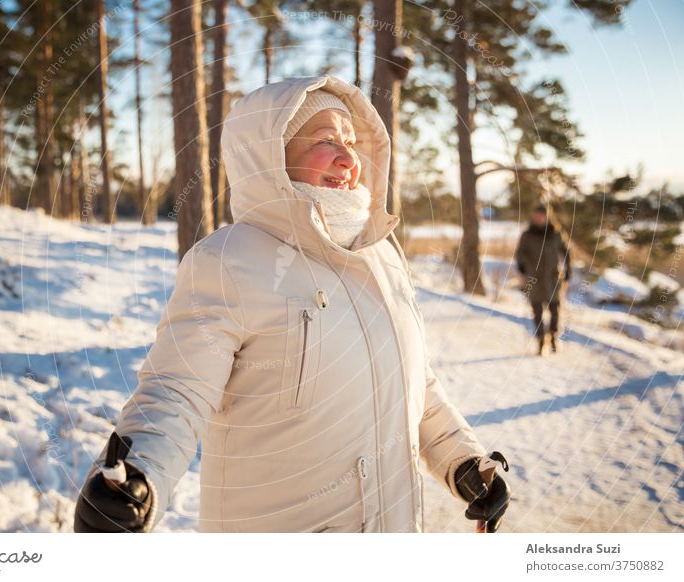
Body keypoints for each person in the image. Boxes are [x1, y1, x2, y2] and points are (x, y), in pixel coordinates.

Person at [73, 75, 510, 533]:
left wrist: (463, 460)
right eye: (325, 141)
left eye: (350, 142)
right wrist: (138, 475)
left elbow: (413, 380)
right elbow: (177, 389)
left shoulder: (381, 252)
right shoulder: (230, 259)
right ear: (269, 158)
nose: (348, 158)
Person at [515, 205, 572, 355]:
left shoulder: (556, 233)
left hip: (553, 278)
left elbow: (566, 251)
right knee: (537, 312)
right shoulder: (527, 235)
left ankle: (553, 336)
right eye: (536, 215)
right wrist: (521, 266)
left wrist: (568, 269)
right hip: (534, 279)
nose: (539, 218)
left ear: (547, 216)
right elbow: (520, 252)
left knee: (555, 310)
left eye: (542, 215)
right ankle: (541, 340)